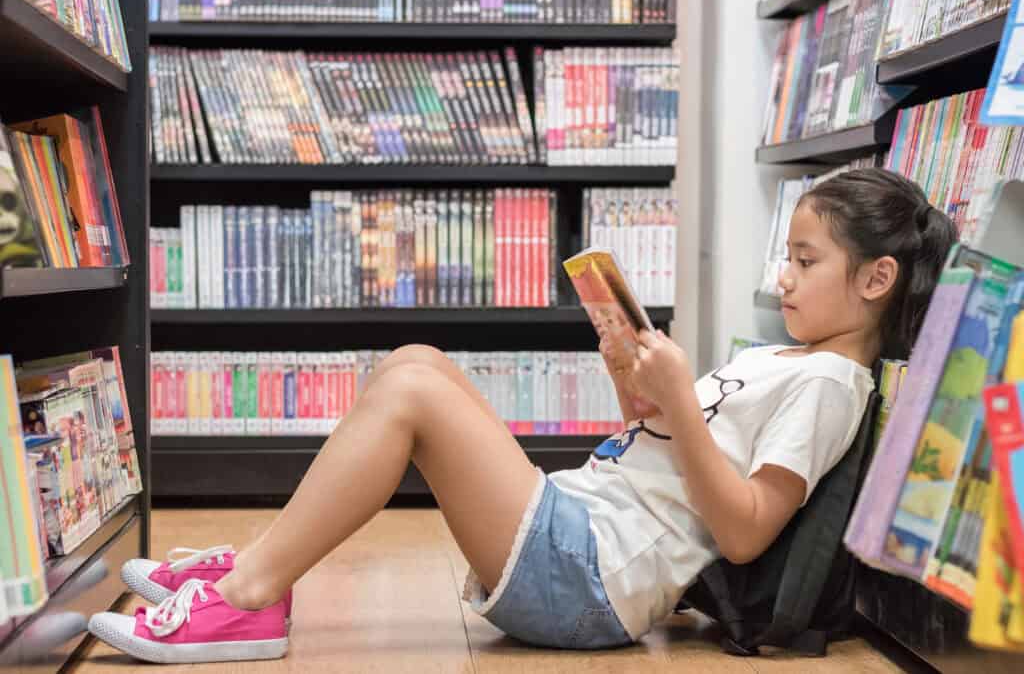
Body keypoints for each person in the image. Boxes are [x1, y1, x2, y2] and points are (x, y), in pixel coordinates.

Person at [88, 169, 957, 664]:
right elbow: (661, 455)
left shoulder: (831, 389)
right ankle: (253, 568)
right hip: (583, 529)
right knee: (415, 363)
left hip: (590, 581)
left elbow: (743, 532)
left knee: (414, 394)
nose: (786, 279)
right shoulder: (782, 357)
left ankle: (249, 597)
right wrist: (636, 382)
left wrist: (684, 413)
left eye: (806, 261)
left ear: (875, 279)